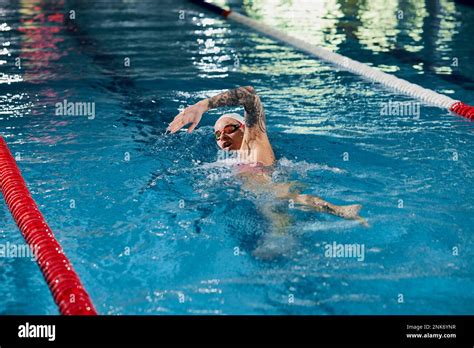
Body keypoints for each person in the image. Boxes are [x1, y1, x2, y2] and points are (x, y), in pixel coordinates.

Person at [166, 86, 366, 223]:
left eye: (228, 129)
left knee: (287, 199)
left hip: (268, 189)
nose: (222, 137)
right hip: (260, 195)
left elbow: (249, 96)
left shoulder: (253, 141)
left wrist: (203, 105)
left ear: (244, 128)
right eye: (217, 135)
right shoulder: (237, 158)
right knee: (277, 229)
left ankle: (342, 211)